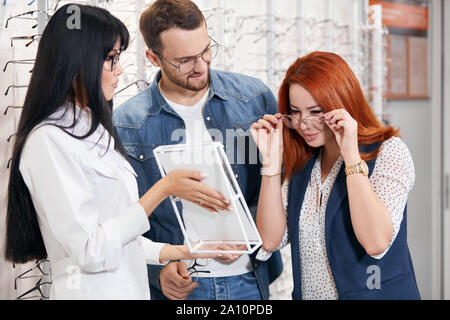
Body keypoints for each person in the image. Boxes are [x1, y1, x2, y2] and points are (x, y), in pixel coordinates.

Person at [5, 4, 230, 300]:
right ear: (78, 62)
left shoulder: (92, 128)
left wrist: (180, 252)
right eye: (111, 59)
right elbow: (90, 249)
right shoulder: (47, 141)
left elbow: (119, 234)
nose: (120, 70)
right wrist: (163, 189)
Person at [113, 0, 282, 300]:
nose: (201, 66)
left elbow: (284, 186)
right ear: (153, 58)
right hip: (180, 288)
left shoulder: (254, 99)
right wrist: (158, 269)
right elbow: (122, 218)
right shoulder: (126, 124)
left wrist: (251, 237)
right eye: (186, 60)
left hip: (250, 279)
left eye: (206, 50)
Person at [250, 51, 421, 300]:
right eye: (295, 112)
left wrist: (351, 155)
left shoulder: (388, 152)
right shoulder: (307, 160)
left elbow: (375, 242)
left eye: (316, 112)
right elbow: (270, 240)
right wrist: (271, 163)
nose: (303, 124)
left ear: (342, 104)